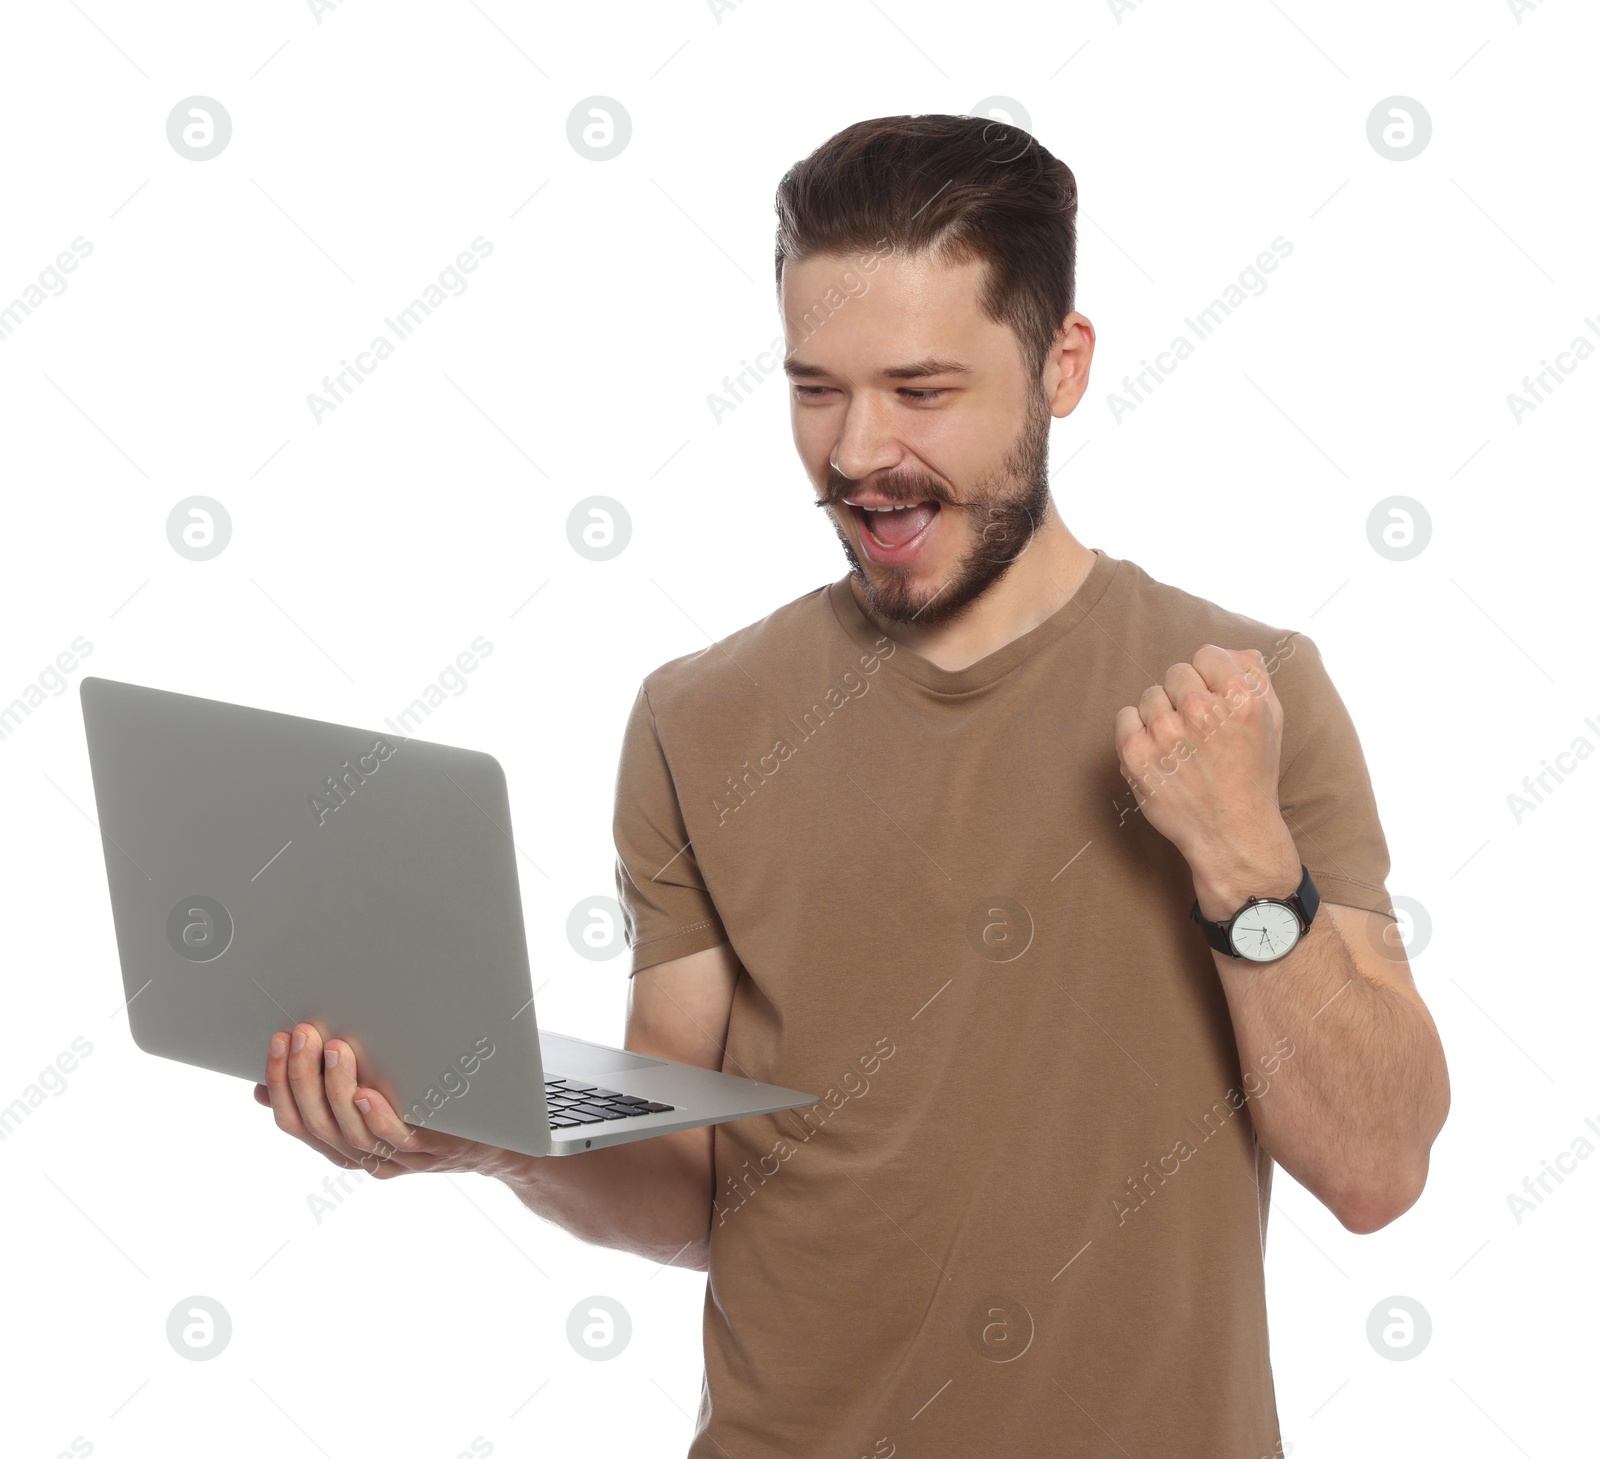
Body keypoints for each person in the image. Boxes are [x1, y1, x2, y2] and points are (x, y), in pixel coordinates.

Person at [257, 113, 1449, 1457]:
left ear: (1062, 367)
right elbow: (699, 1187)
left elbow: (1377, 1168)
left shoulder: (1244, 694)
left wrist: (1242, 860)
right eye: (815, 388)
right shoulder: (697, 718)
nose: (857, 452)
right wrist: (486, 1139)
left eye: (922, 390)